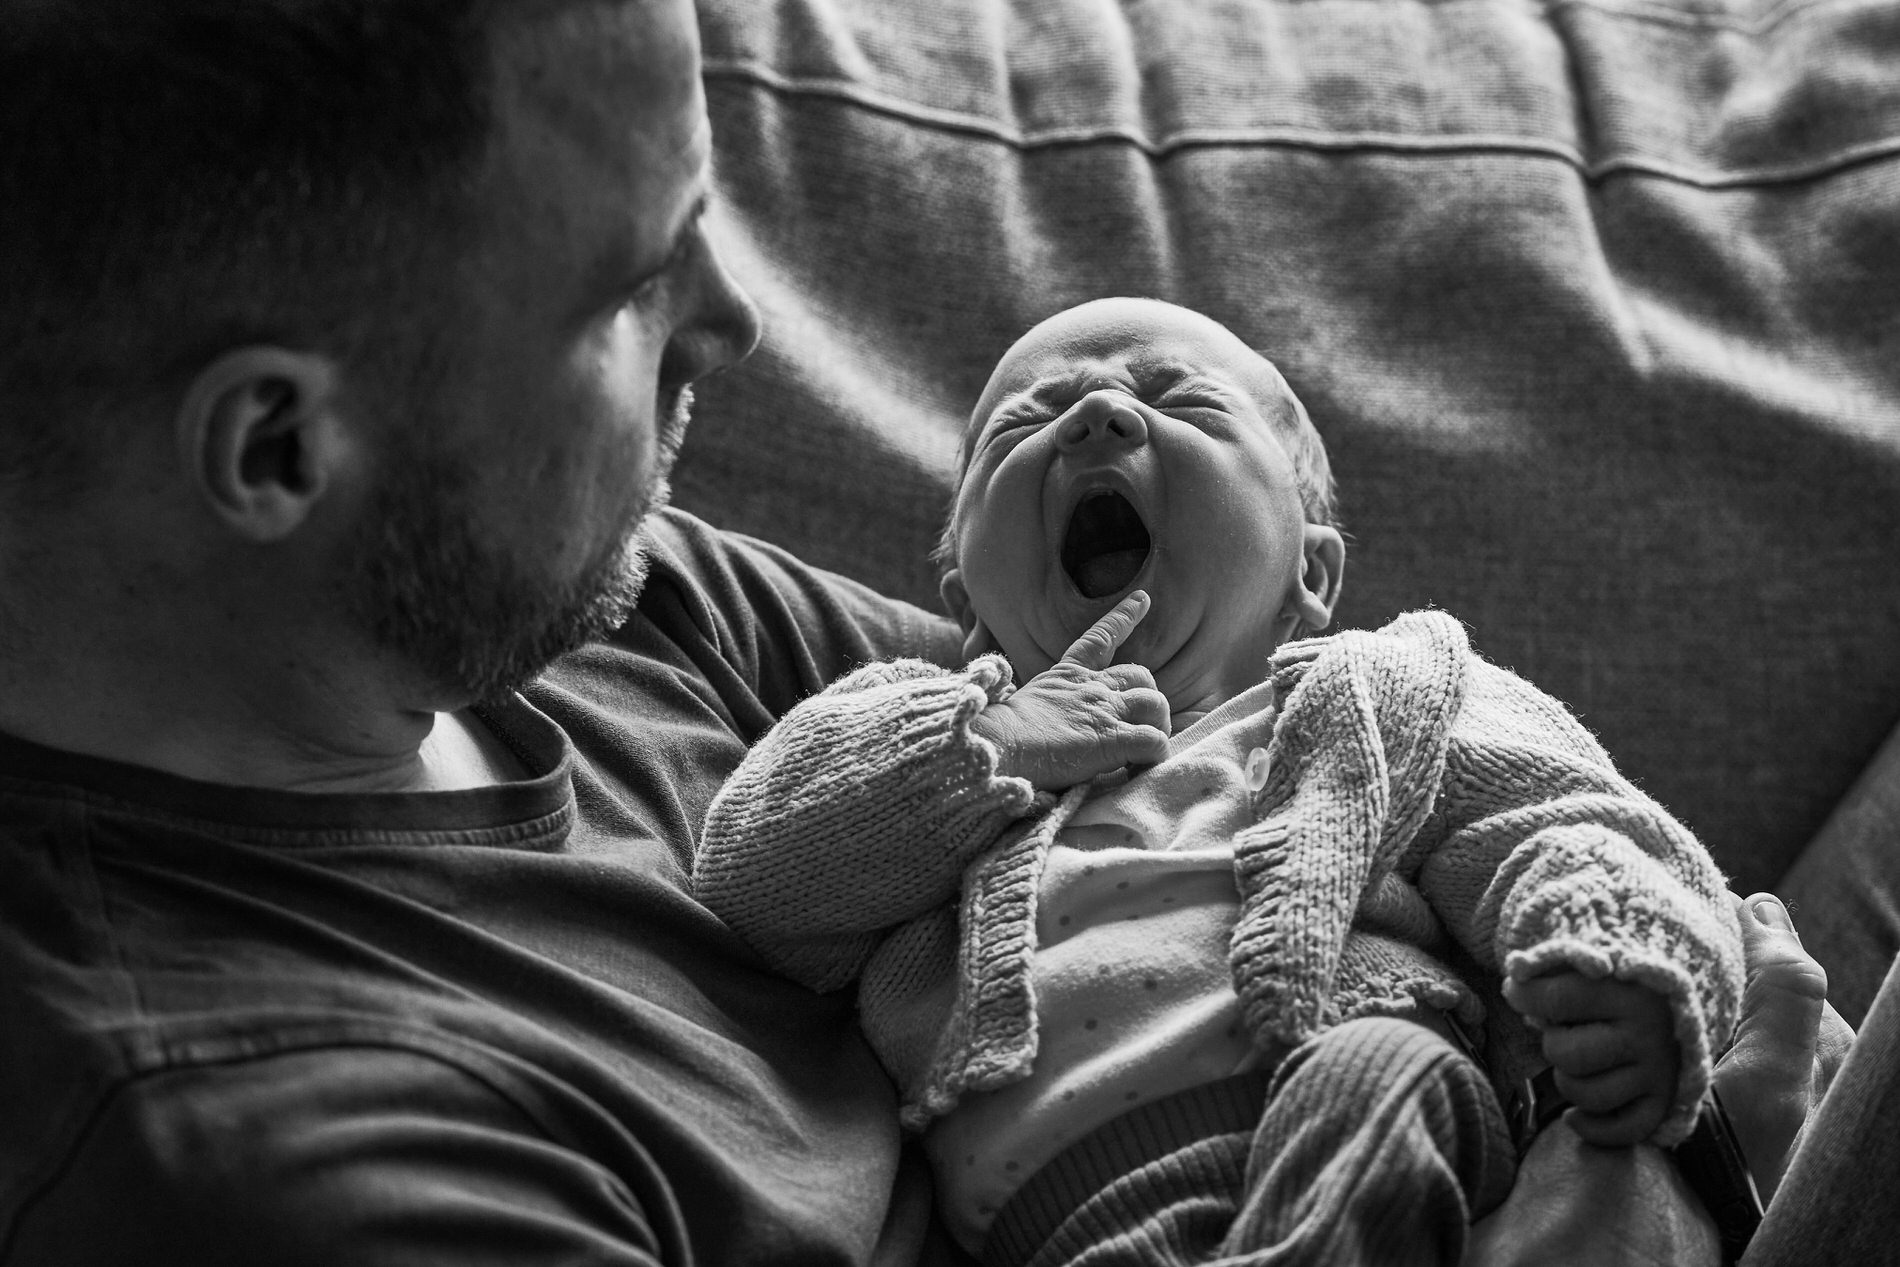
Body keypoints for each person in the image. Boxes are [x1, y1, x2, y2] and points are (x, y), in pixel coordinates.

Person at [0, 4, 1865, 1267]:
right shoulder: (303, 1163)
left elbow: (1169, 740)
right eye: (633, 291)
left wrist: (1613, 953)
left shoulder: (596, 595)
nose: (738, 320)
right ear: (277, 447)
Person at [693, 298, 1757, 1264]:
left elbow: (1561, 818)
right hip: (1049, 1224)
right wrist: (997, 743)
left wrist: (1613, 955)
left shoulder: (1386, 693)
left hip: (1359, 1109)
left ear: (1312, 571)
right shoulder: (921, 725)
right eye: (1027, 421)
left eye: (1178, 400)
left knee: (1385, 1074)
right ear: (962, 590)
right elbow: (756, 877)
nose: (1099, 415)